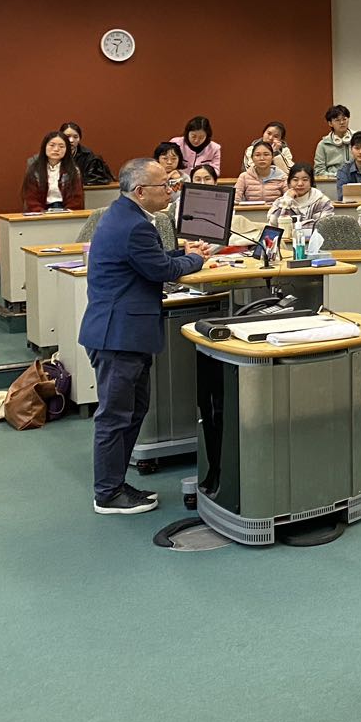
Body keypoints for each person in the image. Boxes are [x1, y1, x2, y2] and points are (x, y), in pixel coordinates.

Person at [79, 157, 213, 514]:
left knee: (133, 410)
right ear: (140, 191)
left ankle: (116, 484)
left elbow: (147, 259)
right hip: (118, 336)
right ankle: (107, 494)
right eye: (164, 185)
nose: (170, 190)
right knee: (115, 417)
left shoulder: (125, 216)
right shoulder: (134, 225)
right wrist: (195, 260)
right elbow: (160, 270)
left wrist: (183, 252)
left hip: (124, 333)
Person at [21, 130, 84, 212]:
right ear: (44, 147)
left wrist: (66, 213)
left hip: (66, 212)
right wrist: (42, 213)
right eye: (52, 145)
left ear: (67, 150)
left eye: (61, 146)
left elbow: (76, 199)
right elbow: (30, 198)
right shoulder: (34, 170)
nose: (56, 149)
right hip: (40, 212)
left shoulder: (73, 170)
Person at [266, 164, 333, 240]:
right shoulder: (280, 202)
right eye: (295, 180)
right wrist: (287, 202)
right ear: (289, 182)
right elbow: (273, 226)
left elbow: (324, 227)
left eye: (305, 180)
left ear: (311, 182)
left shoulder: (322, 201)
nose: (300, 184)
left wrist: (292, 228)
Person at [58, 121, 113, 186]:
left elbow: (95, 179)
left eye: (75, 137)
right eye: (67, 136)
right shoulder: (53, 153)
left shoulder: (88, 156)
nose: (71, 140)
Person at [315, 105, 353, 179]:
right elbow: (319, 172)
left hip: (356, 180)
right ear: (330, 123)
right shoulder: (323, 144)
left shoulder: (358, 138)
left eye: (344, 119)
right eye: (337, 120)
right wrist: (337, 175)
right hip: (333, 181)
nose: (342, 122)